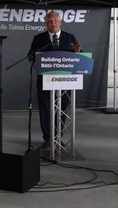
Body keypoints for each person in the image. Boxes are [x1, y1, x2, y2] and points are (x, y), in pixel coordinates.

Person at [27, 11, 82, 149]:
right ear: (46, 23)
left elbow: (79, 55)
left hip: (64, 81)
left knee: (62, 109)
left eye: (56, 20)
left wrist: (77, 52)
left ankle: (58, 137)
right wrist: (33, 60)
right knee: (46, 109)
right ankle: (47, 138)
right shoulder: (39, 38)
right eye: (50, 21)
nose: (53, 23)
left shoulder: (70, 37)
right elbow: (30, 54)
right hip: (45, 80)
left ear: (60, 22)